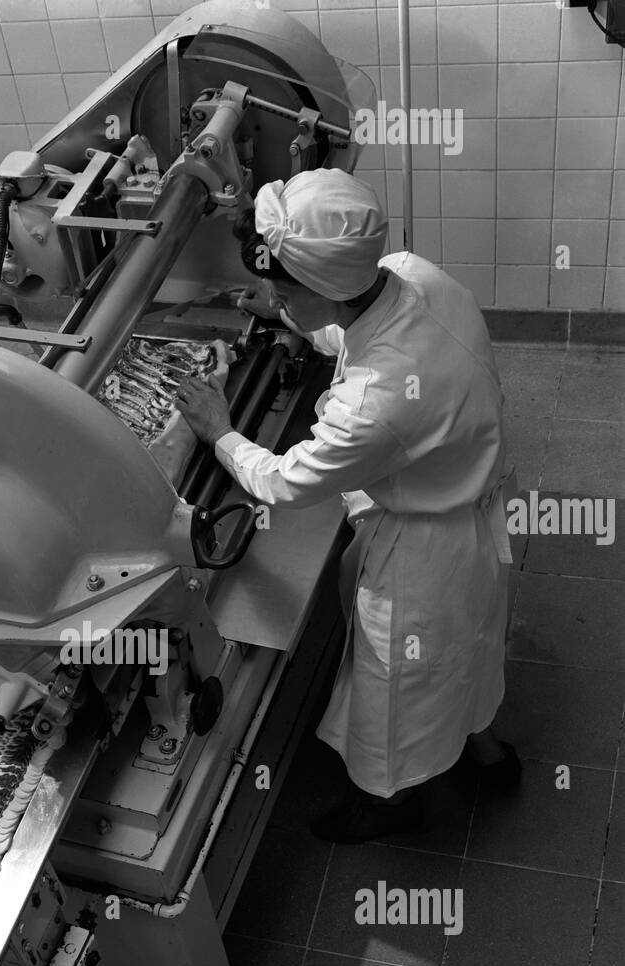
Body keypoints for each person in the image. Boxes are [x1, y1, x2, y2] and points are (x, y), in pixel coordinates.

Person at [176, 167, 520, 844]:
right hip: (468, 522)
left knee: (392, 690)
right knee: (469, 649)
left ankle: (386, 802)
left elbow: (284, 482)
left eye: (283, 287)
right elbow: (359, 331)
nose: (273, 293)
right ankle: (484, 746)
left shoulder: (376, 403)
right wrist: (280, 312)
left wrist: (219, 431)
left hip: (420, 554)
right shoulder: (410, 273)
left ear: (324, 289)